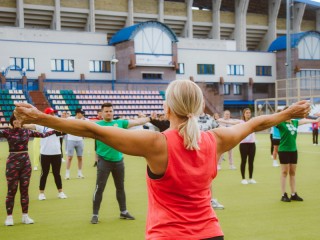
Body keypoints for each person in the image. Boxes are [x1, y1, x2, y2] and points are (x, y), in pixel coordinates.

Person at [14, 80, 311, 239]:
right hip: (211, 234)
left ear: (167, 107)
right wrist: (288, 113)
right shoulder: (216, 139)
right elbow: (256, 124)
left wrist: (40, 117)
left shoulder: (156, 144)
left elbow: (92, 129)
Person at [91, 102, 151, 224]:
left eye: (111, 111)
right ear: (101, 113)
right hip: (104, 161)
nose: (109, 113)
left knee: (120, 188)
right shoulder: (97, 125)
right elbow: (79, 125)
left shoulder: (120, 123)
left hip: (118, 161)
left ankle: (123, 212)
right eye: (106, 111)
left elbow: (137, 122)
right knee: (99, 188)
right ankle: (95, 214)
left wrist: (150, 118)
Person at [0, 114, 56, 226]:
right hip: (12, 163)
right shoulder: (7, 132)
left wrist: (56, 130)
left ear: (22, 121)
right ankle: (9, 217)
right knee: (12, 190)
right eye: (14, 119)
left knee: (24, 190)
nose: (16, 121)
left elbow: (44, 135)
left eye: (19, 119)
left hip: (25, 163)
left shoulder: (27, 132)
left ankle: (25, 216)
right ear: (11, 121)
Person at [277, 109, 320, 202]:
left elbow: (306, 121)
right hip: (284, 150)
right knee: (284, 172)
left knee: (292, 172)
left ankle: (293, 194)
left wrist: (316, 120)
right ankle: (283, 194)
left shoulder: (295, 122)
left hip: (293, 150)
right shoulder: (280, 123)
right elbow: (269, 121)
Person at [25, 107, 68, 201]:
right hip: (45, 153)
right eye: (51, 113)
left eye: (53, 113)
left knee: (57, 174)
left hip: (57, 153)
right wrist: (21, 124)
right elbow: (31, 126)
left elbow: (66, 129)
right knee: (44, 173)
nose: (53, 115)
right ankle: (41, 193)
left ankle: (60, 192)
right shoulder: (41, 125)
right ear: (46, 115)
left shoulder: (57, 125)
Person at [65, 108, 87, 179]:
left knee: (80, 157)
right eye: (81, 113)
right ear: (78, 113)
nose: (83, 114)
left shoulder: (84, 120)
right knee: (69, 157)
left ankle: (79, 173)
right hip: (71, 140)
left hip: (80, 140)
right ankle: (67, 174)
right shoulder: (70, 119)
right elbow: (63, 121)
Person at [238, 108, 257, 184]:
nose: (248, 114)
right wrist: (219, 120)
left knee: (251, 161)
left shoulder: (253, 121)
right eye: (247, 113)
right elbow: (231, 122)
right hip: (243, 144)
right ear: (244, 114)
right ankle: (243, 178)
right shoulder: (241, 122)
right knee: (243, 161)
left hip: (252, 144)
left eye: (249, 113)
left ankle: (251, 178)